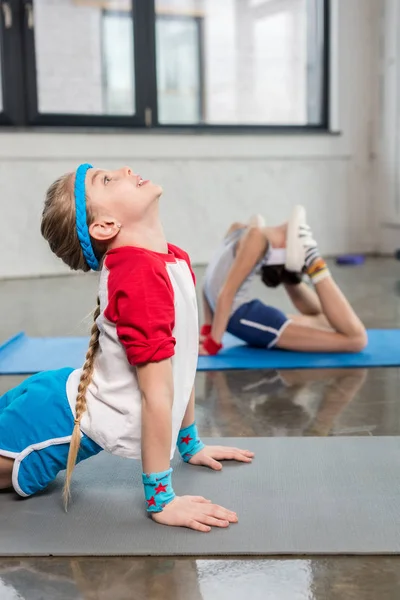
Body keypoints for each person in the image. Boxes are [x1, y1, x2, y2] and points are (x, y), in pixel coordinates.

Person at [0, 164, 254, 533]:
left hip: (58, 396)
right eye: (106, 179)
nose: (125, 169)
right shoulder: (139, 276)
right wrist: (161, 499)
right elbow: (156, 394)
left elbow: (179, 368)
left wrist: (190, 444)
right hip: (49, 425)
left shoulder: (172, 259)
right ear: (104, 226)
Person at [199, 206, 367, 356]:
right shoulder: (256, 238)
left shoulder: (238, 229)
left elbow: (207, 282)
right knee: (356, 340)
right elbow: (226, 294)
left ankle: (297, 266)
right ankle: (313, 258)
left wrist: (208, 329)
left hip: (248, 317)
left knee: (325, 321)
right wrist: (212, 345)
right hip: (246, 319)